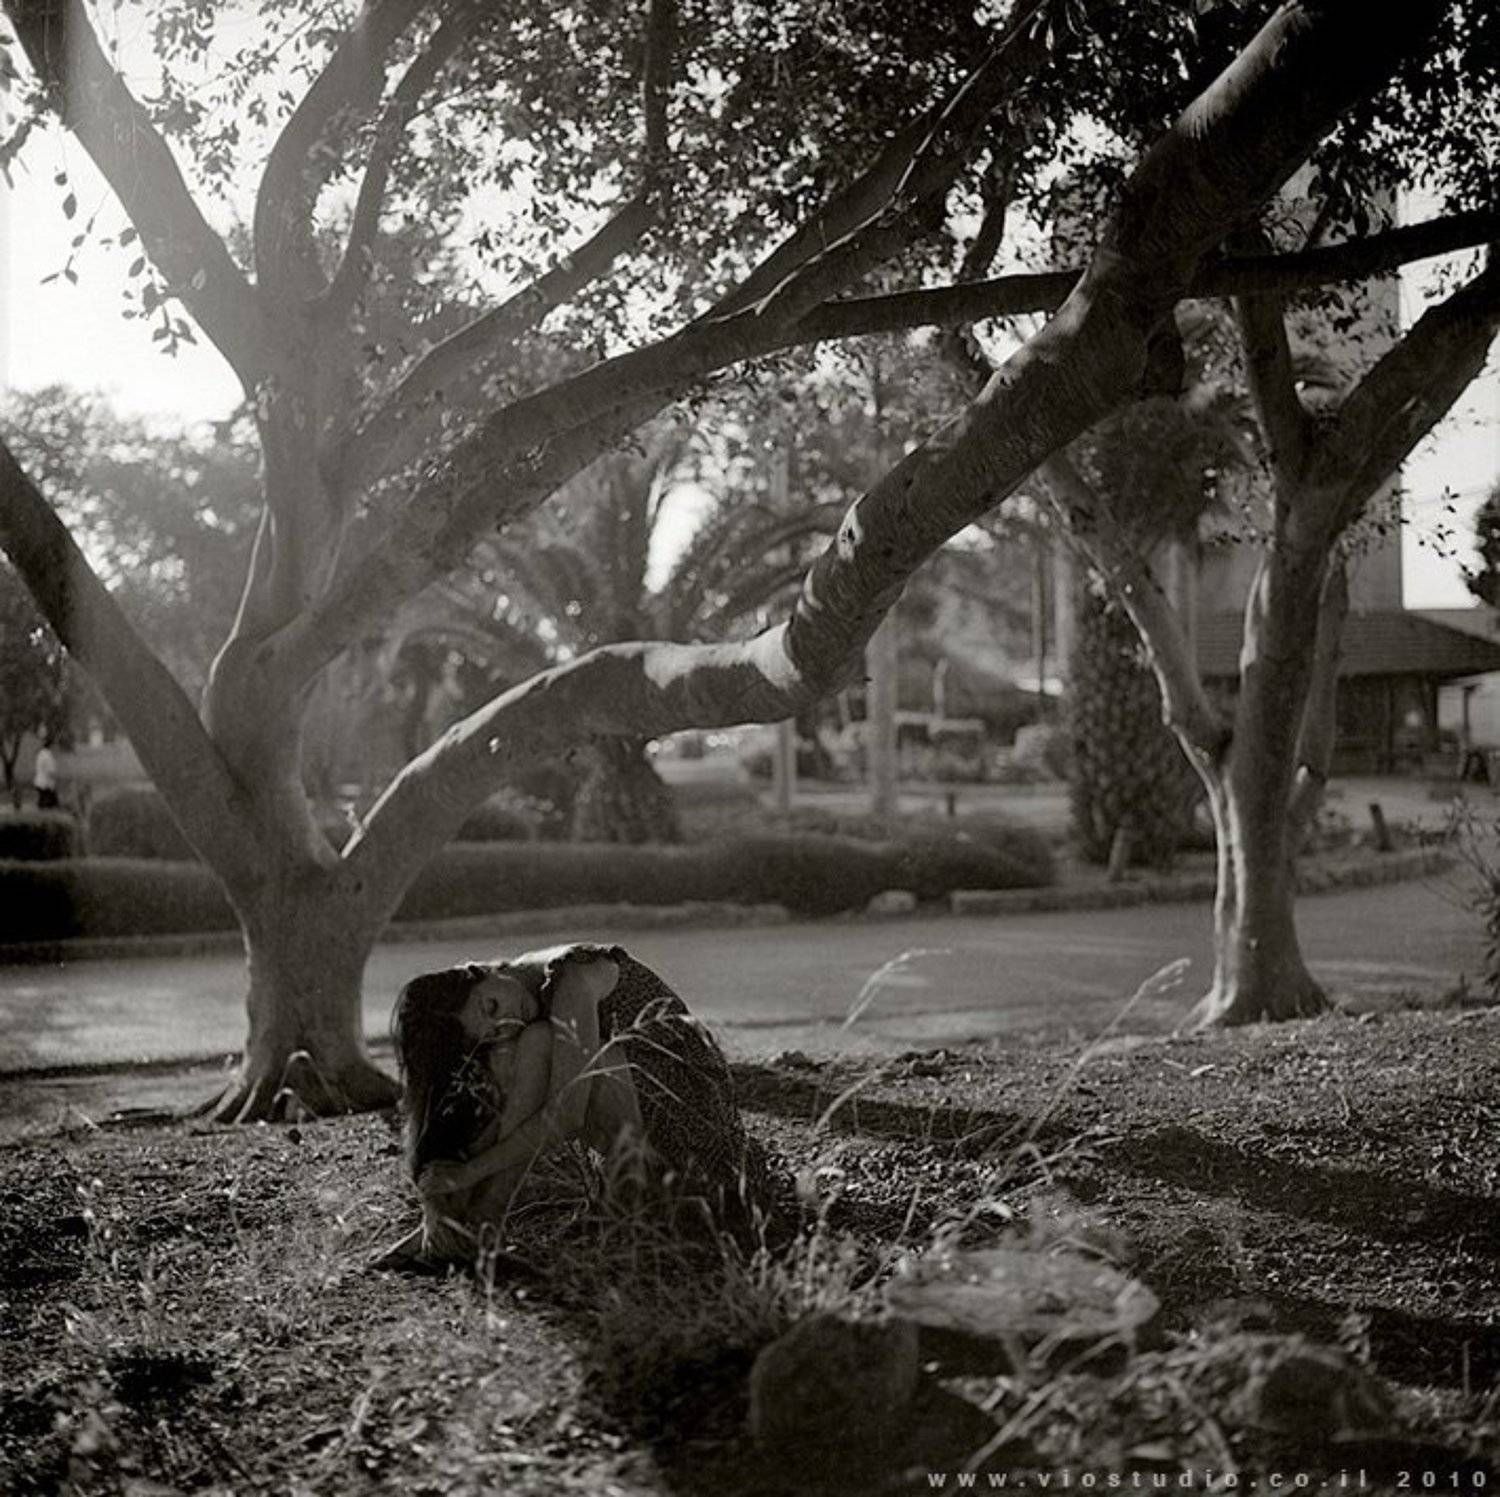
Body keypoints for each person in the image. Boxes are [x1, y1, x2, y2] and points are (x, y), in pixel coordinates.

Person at [379, 943, 787, 1269]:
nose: (507, 1021)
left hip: (699, 1131)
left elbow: (567, 1116)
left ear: (482, 970)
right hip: (643, 1140)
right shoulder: (521, 1008)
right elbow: (512, 1114)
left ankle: (483, 1220)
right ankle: (459, 1223)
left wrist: (469, 1172)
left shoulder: (570, 976)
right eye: (491, 1028)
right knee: (515, 1052)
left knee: (535, 1043)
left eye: (490, 1006)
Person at [32, 736, 59, 810]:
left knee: (43, 803)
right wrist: (53, 784)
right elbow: (50, 771)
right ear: (51, 745)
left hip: (39, 781)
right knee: (51, 804)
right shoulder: (48, 756)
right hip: (46, 784)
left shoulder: (40, 754)